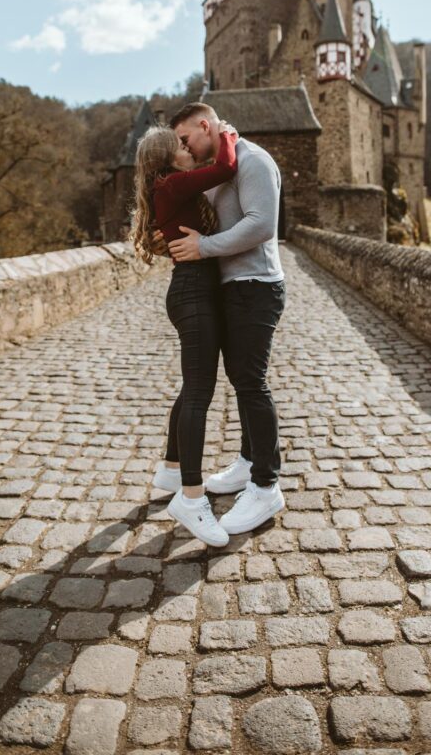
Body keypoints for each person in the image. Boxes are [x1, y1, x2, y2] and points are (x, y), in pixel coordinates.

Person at [166, 101, 286, 535]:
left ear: (205, 125)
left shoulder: (253, 160)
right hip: (233, 289)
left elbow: (261, 225)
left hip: (257, 285)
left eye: (185, 139)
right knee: (240, 379)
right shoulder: (219, 166)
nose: (184, 147)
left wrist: (204, 248)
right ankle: (249, 461)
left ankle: (266, 485)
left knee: (252, 383)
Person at [131, 120, 238, 547]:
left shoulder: (174, 188)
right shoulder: (170, 186)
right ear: (165, 158)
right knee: (199, 393)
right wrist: (227, 133)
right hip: (192, 292)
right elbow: (225, 168)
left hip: (194, 290)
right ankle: (191, 498)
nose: (188, 147)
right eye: (180, 144)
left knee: (193, 387)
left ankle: (171, 467)